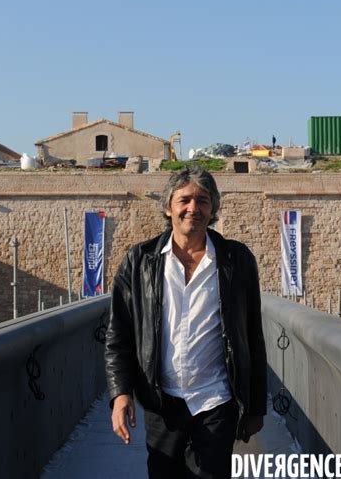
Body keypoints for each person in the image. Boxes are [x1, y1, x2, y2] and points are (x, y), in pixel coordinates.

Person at [105, 166, 267, 479]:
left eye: (203, 200)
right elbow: (119, 334)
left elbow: (252, 335)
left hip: (216, 400)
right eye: (184, 200)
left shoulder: (236, 260)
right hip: (162, 402)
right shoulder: (140, 261)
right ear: (169, 207)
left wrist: (255, 406)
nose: (193, 208)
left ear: (213, 209)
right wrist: (120, 393)